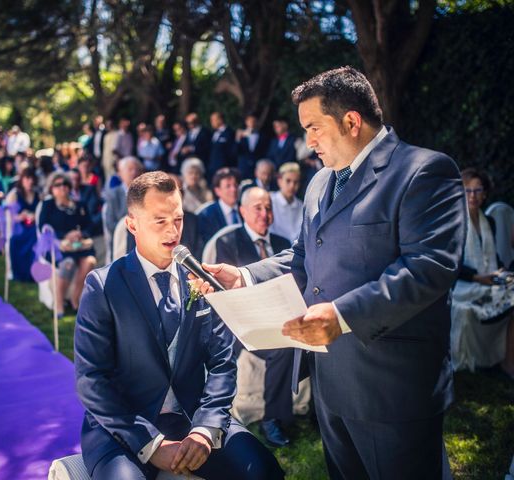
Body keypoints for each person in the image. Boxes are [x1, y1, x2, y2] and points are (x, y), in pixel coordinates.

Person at [195, 66, 466, 480]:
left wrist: (340, 317)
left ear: (351, 121)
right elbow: (304, 255)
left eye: (314, 128)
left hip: (392, 386)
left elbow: (427, 269)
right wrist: (245, 276)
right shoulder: (320, 182)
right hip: (330, 384)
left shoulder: (424, 172)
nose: (308, 142)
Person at [74, 171, 284, 480]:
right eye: (160, 221)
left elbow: (222, 364)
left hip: (194, 418)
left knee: (263, 471)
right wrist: (152, 445)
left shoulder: (199, 279)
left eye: (178, 219)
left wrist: (205, 429)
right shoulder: (103, 286)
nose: (173, 231)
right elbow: (91, 380)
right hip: (124, 428)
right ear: (132, 224)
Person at [211, 187, 294, 447]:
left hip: (283, 315)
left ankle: (315, 408)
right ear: (242, 211)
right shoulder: (228, 243)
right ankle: (272, 418)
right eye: (257, 208)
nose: (264, 213)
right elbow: (226, 293)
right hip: (243, 321)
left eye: (268, 207)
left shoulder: (282, 243)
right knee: (283, 349)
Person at [450, 168, 514, 377]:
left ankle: (505, 359)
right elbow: (450, 262)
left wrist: (501, 271)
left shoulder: (490, 222)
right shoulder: (454, 222)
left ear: (485, 194)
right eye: (467, 190)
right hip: (463, 287)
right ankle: (507, 364)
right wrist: (477, 278)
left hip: (486, 281)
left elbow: (492, 255)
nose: (473, 196)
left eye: (478, 191)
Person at [39, 172, 97, 314]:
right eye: (58, 185)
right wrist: (65, 235)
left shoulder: (79, 205)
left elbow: (90, 225)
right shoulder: (48, 205)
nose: (62, 187)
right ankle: (59, 303)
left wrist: (81, 234)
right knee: (68, 263)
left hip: (79, 246)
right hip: (59, 247)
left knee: (90, 261)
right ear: (51, 188)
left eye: (65, 184)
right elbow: (43, 227)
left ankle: (75, 299)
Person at [103, 157, 143, 261]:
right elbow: (110, 224)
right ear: (120, 173)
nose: (134, 172)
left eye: (137, 169)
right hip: (122, 241)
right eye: (130, 169)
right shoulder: (113, 194)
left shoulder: (145, 194)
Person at [5, 167, 40, 282]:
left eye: (32, 179)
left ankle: (33, 273)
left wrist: (35, 215)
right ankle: (21, 273)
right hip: (19, 228)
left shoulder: (38, 194)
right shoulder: (15, 195)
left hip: (34, 226)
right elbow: (10, 217)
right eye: (27, 178)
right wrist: (22, 216)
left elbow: (41, 212)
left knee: (36, 235)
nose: (30, 181)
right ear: (22, 180)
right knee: (18, 239)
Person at [197, 167, 241, 246]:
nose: (233, 189)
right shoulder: (207, 215)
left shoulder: (246, 208)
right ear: (217, 191)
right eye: (228, 186)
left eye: (235, 185)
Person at [269, 162, 304, 243]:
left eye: (296, 182)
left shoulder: (301, 205)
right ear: (279, 181)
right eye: (288, 181)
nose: (292, 186)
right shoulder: (270, 200)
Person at [236, 114, 269, 181]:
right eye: (250, 121)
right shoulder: (240, 135)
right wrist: (238, 139)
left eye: (254, 121)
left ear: (257, 122)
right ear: (246, 122)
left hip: (257, 169)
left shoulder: (263, 136)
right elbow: (235, 151)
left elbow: (265, 153)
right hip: (243, 168)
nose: (252, 123)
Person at [207, 112, 236, 183]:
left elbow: (232, 152)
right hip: (212, 169)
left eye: (213, 120)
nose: (211, 122)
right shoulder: (213, 133)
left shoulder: (230, 132)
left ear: (220, 120)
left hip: (223, 169)